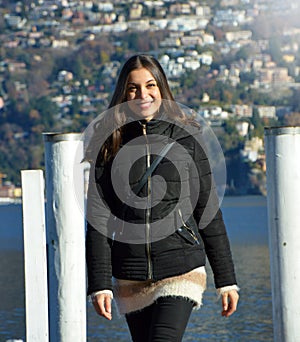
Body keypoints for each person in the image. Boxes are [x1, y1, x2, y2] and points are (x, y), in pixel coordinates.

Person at [85, 54, 239, 341]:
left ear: (162, 89)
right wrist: (100, 284)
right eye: (133, 88)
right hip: (131, 273)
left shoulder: (187, 140)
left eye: (151, 85)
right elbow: (98, 222)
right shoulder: (109, 146)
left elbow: (208, 211)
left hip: (180, 269)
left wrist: (226, 280)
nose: (143, 94)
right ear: (124, 94)